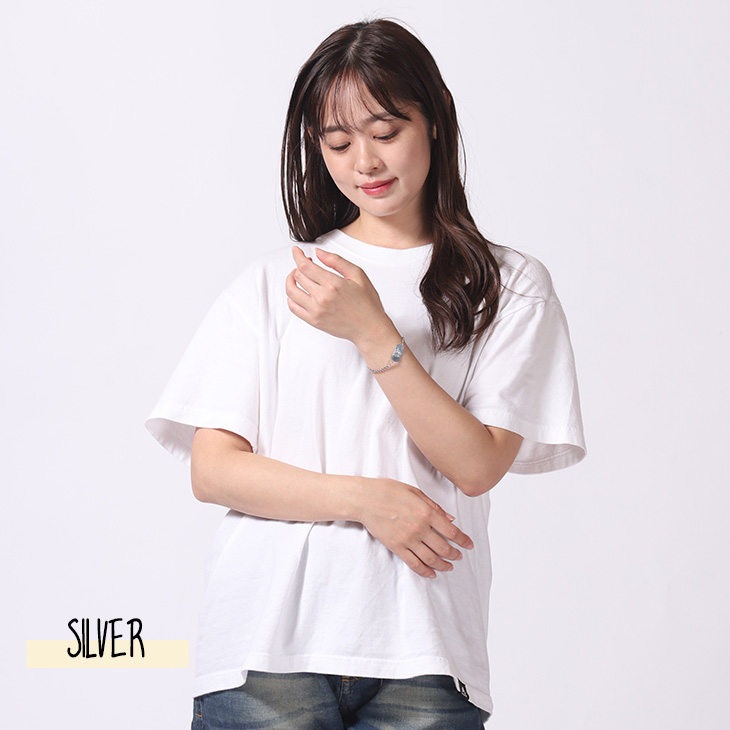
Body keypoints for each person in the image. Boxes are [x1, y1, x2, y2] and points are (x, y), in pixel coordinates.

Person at [146, 18, 585, 730]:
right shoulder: (274, 282)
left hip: (426, 653)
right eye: (338, 142)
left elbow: (477, 465)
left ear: (434, 119)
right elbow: (214, 470)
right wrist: (368, 500)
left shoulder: (510, 286)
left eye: (386, 131)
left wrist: (373, 331)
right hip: (266, 646)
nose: (365, 162)